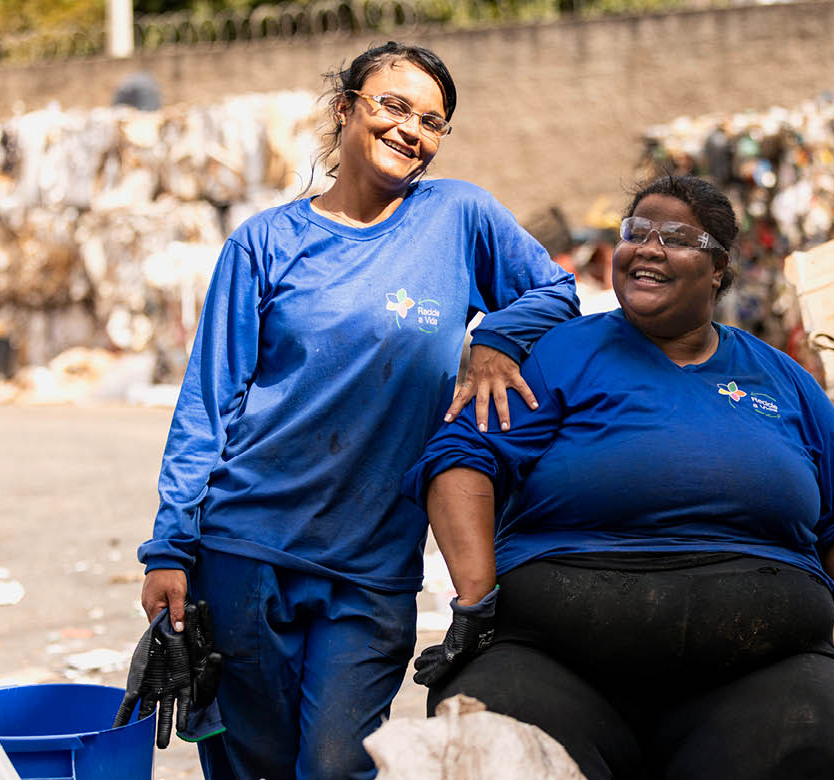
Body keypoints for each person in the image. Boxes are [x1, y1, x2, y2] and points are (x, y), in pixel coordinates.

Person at [134, 41, 579, 779]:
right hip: (247, 551)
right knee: (255, 767)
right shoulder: (265, 244)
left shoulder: (459, 216)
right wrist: (172, 548)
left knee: (340, 765)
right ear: (345, 110)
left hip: (373, 565)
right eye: (393, 106)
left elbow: (554, 291)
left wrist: (497, 337)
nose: (411, 130)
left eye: (432, 121)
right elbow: (208, 406)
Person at [403, 175, 834, 779]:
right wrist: (475, 602)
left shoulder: (783, 379)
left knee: (808, 749)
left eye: (677, 237)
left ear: (717, 268)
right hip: (555, 661)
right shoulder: (564, 355)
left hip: (764, 670)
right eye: (637, 232)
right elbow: (462, 456)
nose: (649, 248)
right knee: (486, 746)